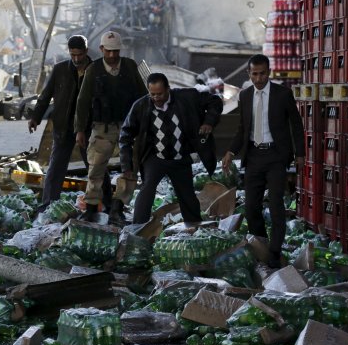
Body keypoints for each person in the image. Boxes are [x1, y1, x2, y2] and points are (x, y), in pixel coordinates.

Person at [221, 54, 305, 269]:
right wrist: (231, 151)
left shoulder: (283, 94)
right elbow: (243, 128)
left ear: (269, 72)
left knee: (276, 205)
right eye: (255, 74)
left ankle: (275, 252)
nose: (259, 78)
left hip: (276, 156)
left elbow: (296, 125)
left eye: (263, 73)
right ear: (248, 74)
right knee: (251, 207)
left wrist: (300, 154)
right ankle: (261, 244)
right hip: (254, 156)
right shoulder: (246, 95)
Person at [119, 72, 222, 226]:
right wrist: (126, 165)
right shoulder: (141, 106)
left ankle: (195, 228)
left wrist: (208, 122)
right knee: (146, 191)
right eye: (152, 94)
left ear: (168, 89)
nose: (156, 98)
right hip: (156, 158)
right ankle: (137, 229)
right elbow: (125, 135)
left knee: (187, 196)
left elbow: (215, 101)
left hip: (180, 158)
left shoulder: (187, 97)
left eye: (159, 94)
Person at [74, 31, 147, 224]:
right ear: (101, 50)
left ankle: (118, 208)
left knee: (129, 169)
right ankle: (90, 208)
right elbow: (82, 102)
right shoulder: (94, 69)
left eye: (116, 51)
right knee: (96, 168)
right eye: (109, 51)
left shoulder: (130, 67)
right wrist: (80, 129)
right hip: (102, 127)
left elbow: (143, 97)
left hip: (128, 127)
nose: (113, 56)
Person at [28, 35, 92, 209]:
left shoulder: (95, 70)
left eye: (79, 55)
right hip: (63, 126)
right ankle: (48, 204)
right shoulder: (60, 70)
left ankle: (104, 204)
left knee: (94, 168)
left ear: (86, 51)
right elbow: (46, 95)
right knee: (56, 167)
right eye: (73, 55)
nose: (77, 59)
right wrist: (36, 117)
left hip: (87, 128)